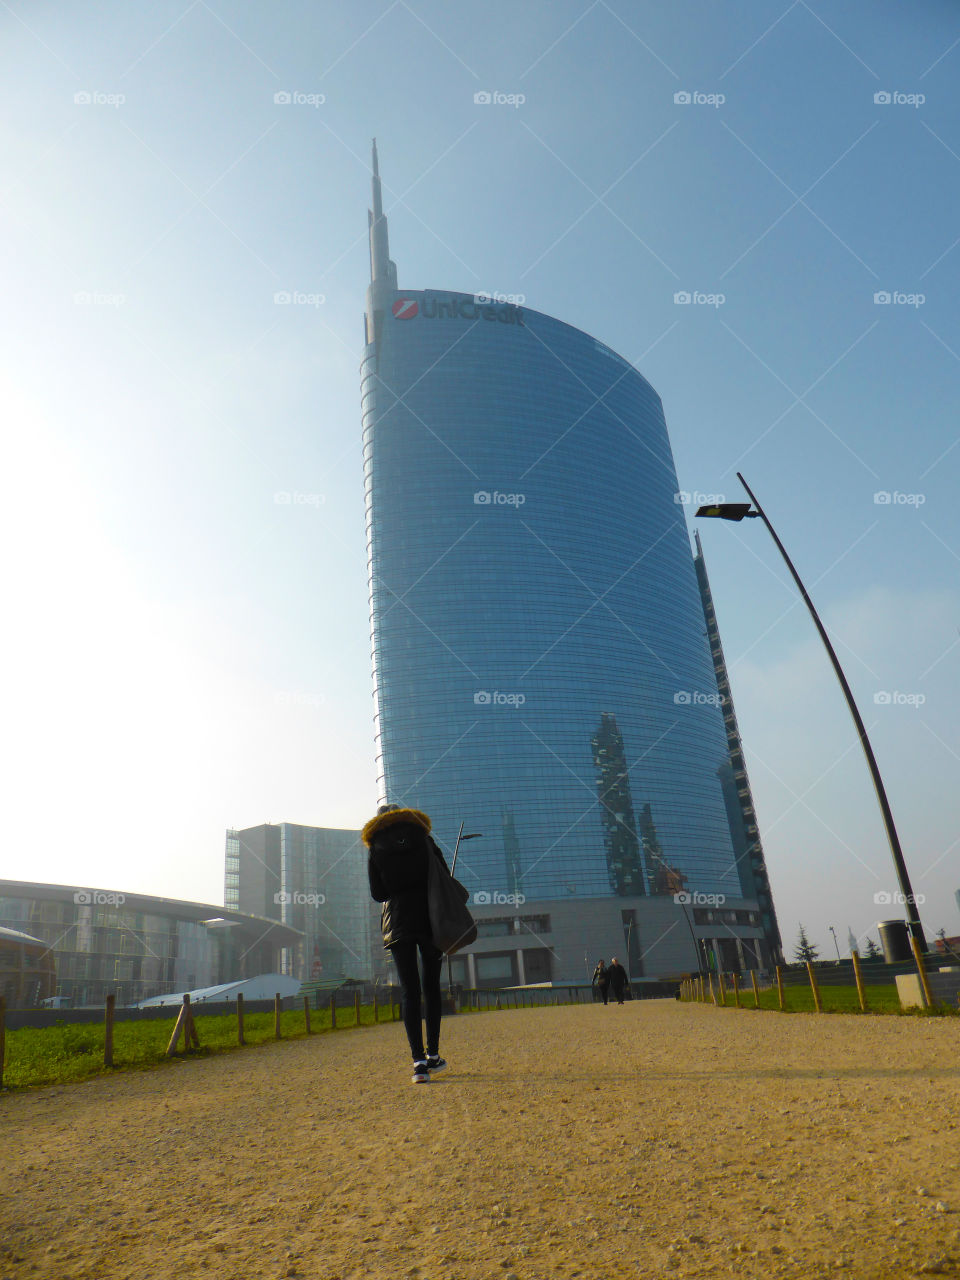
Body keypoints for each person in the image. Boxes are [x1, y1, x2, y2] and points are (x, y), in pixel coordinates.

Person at [363, 804, 448, 1085]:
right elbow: (443, 875)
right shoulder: (424, 838)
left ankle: (419, 1064)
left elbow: (378, 894)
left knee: (410, 993)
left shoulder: (375, 845)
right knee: (431, 988)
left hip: (399, 923)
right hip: (431, 919)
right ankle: (434, 1054)